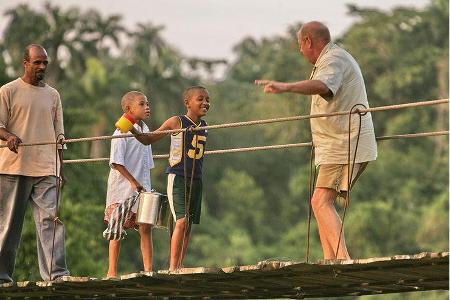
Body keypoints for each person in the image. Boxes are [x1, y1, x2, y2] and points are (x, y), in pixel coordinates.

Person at [255, 21, 377, 260]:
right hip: (337, 144)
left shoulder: (334, 59)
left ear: (308, 41)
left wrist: (287, 86)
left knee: (321, 201)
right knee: (320, 202)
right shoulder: (331, 59)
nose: (300, 51)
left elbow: (323, 86)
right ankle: (331, 259)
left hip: (344, 143)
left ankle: (342, 260)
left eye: (300, 45)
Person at [0, 44, 70, 282]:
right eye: (37, 62)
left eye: (45, 63)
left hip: (46, 168)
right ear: (25, 63)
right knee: (8, 226)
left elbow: (59, 136)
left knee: (52, 221)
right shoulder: (8, 91)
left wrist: (61, 168)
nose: (41, 67)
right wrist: (9, 136)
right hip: (13, 168)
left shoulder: (53, 95)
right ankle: (1, 276)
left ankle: (56, 274)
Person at [131, 86, 210, 271]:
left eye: (207, 100)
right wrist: (130, 128)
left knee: (188, 225)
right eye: (200, 99)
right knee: (181, 221)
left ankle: (179, 265)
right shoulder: (177, 122)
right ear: (187, 103)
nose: (205, 103)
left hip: (197, 179)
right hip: (178, 178)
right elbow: (147, 139)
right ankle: (173, 269)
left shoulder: (205, 126)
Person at [104, 91, 155, 278]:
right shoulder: (121, 132)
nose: (147, 107)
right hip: (122, 188)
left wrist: (145, 187)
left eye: (147, 103)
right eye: (142, 104)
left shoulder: (146, 130)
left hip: (143, 187)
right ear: (128, 109)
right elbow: (116, 162)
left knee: (145, 227)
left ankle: (149, 269)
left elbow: (146, 163)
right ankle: (111, 271)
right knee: (117, 227)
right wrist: (133, 182)